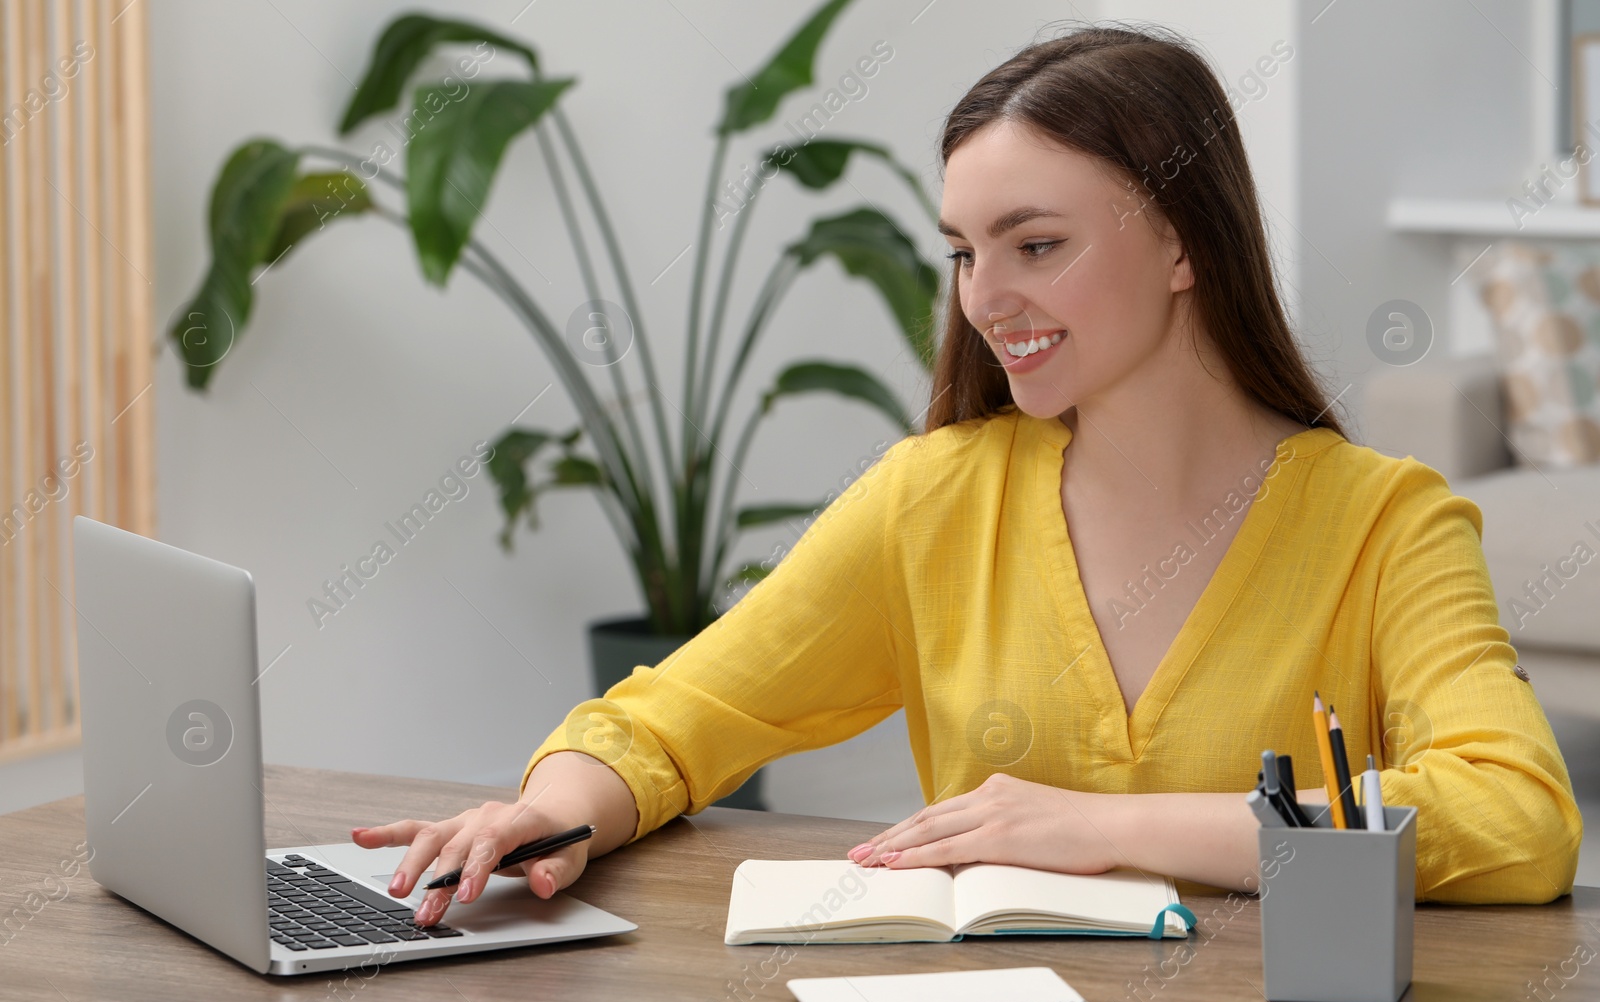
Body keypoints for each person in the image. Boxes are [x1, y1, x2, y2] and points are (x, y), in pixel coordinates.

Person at [352, 24, 1582, 927]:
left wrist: (1100, 829)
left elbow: (1517, 816)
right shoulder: (935, 497)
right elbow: (672, 718)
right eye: (960, 252)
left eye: (1034, 244)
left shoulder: (1385, 524)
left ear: (1180, 244)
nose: (983, 300)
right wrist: (550, 806)